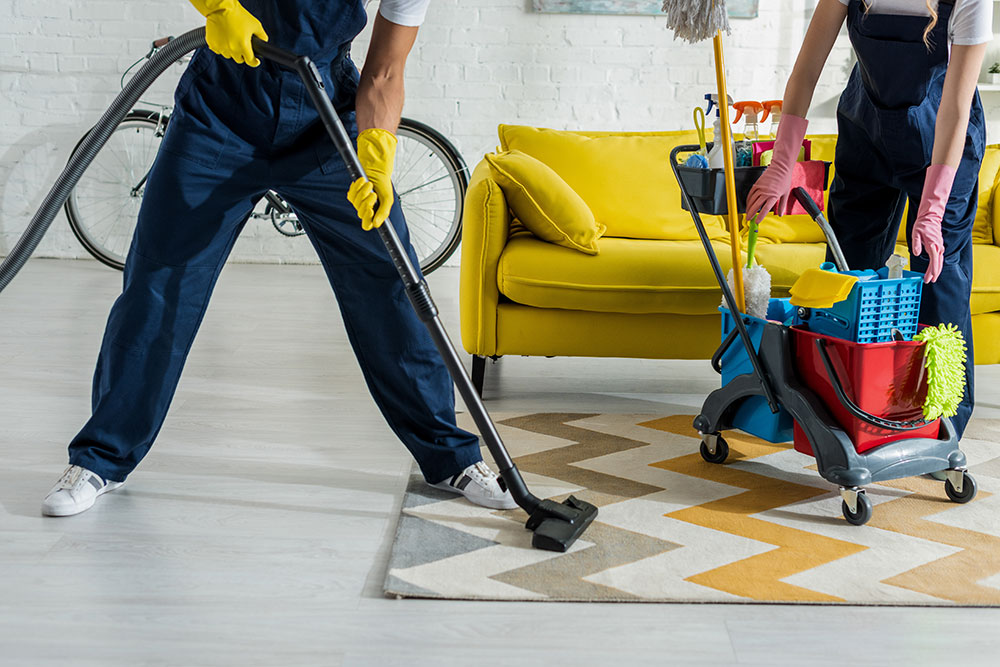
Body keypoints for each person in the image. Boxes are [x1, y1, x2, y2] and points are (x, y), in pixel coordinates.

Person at [42, 0, 516, 516]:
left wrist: (377, 156)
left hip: (324, 116)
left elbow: (384, 71)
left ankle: (451, 458)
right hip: (219, 112)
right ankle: (101, 459)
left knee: (389, 281)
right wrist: (218, 6)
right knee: (159, 285)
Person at [746, 0, 990, 440]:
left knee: (938, 281)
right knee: (846, 276)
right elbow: (806, 70)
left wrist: (933, 208)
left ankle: (942, 429)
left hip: (942, 146)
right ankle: (847, 410)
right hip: (867, 135)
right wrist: (783, 161)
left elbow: (955, 109)